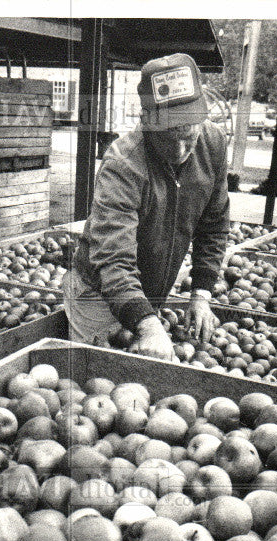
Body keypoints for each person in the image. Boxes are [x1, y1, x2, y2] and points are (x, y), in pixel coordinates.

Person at [63, 52, 230, 362]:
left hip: (147, 291)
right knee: (98, 376)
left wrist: (201, 293)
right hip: (98, 293)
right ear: (148, 123)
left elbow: (214, 224)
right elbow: (113, 258)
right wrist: (149, 326)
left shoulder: (214, 144)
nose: (181, 151)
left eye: (189, 136)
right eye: (170, 138)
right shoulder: (123, 164)